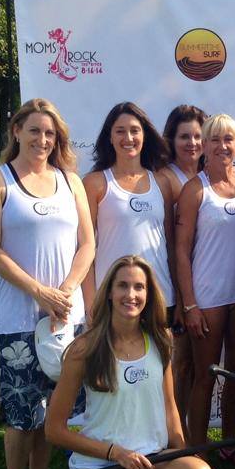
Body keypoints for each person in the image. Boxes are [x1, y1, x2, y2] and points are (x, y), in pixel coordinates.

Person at [45, 256, 214, 469]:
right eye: (122, 285)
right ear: (109, 292)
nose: (131, 294)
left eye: (139, 287)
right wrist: (116, 453)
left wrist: (183, 456)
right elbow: (54, 430)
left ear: (149, 294)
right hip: (101, 468)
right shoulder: (84, 349)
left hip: (151, 463)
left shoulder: (160, 341)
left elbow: (170, 410)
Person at [0, 98, 95, 469]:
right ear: (16, 131)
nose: (42, 140)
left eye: (50, 133)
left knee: (53, 406)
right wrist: (38, 291)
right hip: (19, 317)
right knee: (20, 409)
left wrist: (64, 291)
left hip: (66, 316)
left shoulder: (71, 181)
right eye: (35, 131)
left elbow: (88, 245)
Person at [175, 114, 235, 469]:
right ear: (204, 146)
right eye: (215, 140)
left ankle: (228, 443)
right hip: (207, 296)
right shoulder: (195, 190)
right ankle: (199, 452)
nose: (222, 146)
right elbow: (180, 250)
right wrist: (189, 304)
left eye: (229, 140)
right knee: (204, 374)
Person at [82, 102, 175, 318]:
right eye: (120, 131)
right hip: (112, 301)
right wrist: (90, 304)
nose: (129, 138)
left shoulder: (162, 183)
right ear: (110, 137)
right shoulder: (95, 183)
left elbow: (169, 245)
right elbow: (84, 248)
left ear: (145, 136)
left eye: (135, 131)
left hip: (159, 298)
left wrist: (178, 297)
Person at [159, 104, 207, 438]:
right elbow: (169, 242)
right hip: (177, 291)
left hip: (207, 287)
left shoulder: (211, 176)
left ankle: (187, 434)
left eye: (198, 136)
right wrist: (179, 299)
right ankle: (172, 438)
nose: (192, 143)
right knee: (177, 367)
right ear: (171, 140)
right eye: (184, 136)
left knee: (194, 369)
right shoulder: (164, 179)